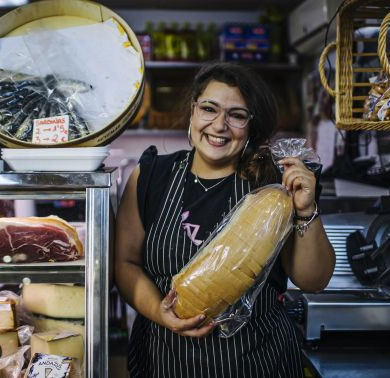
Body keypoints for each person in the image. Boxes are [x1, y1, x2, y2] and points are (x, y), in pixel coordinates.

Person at [115, 62, 335, 378]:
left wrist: (305, 210)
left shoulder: (274, 185)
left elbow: (314, 280)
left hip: (257, 362)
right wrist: (161, 314)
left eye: (236, 115)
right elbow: (124, 263)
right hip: (165, 359)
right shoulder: (151, 176)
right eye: (209, 109)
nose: (219, 125)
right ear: (193, 112)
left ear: (250, 125)